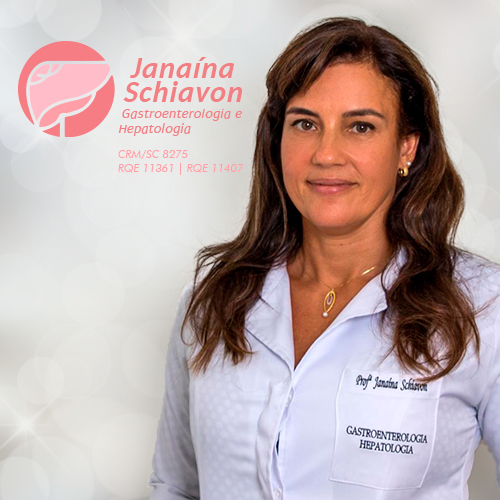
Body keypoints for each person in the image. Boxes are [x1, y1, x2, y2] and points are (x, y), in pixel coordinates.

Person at [147, 17, 500, 500]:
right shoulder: (212, 302)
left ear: (407, 147)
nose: (326, 154)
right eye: (306, 124)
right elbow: (176, 487)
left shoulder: (483, 308)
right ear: (278, 141)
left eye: (360, 127)